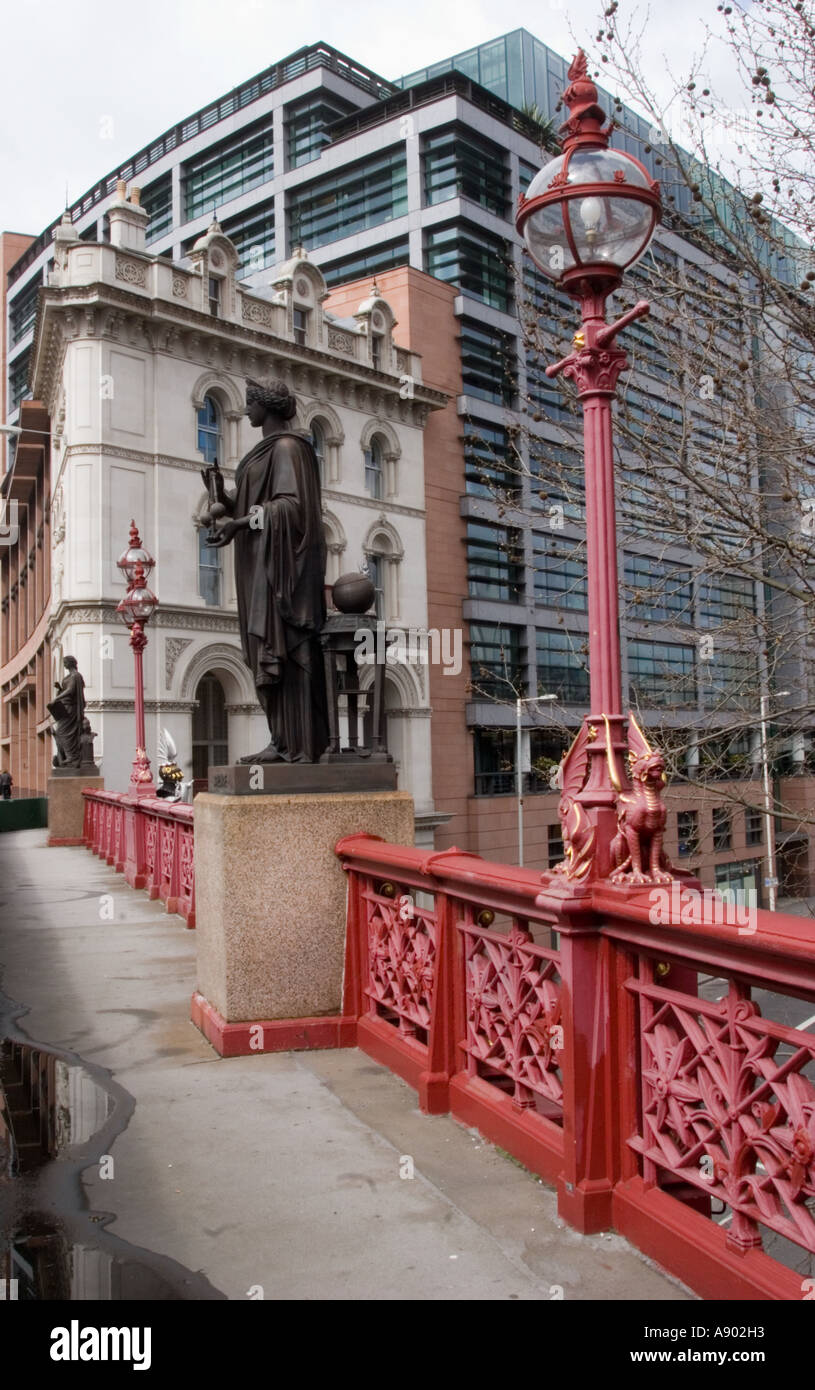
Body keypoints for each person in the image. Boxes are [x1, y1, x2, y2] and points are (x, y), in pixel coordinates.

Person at [203, 378, 328, 763]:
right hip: (257, 567)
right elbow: (256, 504)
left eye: (250, 404)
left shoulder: (290, 448)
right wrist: (225, 498)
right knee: (259, 654)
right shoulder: (265, 452)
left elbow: (290, 508)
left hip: (282, 576)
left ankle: (299, 746)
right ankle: (280, 740)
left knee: (282, 653)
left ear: (266, 406)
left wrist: (238, 524)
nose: (245, 411)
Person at [49, 656, 86, 768]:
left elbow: (70, 690)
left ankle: (72, 757)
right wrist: (60, 689)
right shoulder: (69, 676)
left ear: (71, 663)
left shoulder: (75, 676)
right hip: (64, 707)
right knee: (62, 732)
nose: (64, 664)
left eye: (65, 662)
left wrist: (56, 698)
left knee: (63, 731)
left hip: (70, 709)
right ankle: (69, 756)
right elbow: (67, 690)